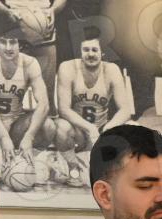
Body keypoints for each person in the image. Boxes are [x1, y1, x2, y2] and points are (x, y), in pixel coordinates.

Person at [53, 31, 130, 176]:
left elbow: (125, 110)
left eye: (95, 50)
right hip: (78, 132)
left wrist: (108, 128)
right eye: (86, 50)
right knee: (60, 127)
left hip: (101, 129)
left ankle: (117, 169)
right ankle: (73, 168)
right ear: (79, 52)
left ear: (102, 53)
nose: (90, 54)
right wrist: (89, 128)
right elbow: (63, 109)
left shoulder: (111, 70)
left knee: (132, 127)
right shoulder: (67, 68)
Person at [0, 30, 54, 165]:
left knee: (49, 126)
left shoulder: (30, 63)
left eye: (13, 42)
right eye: (3, 42)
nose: (8, 48)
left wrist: (29, 137)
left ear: (20, 44)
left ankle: (31, 161)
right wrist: (3, 136)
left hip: (15, 124)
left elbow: (44, 105)